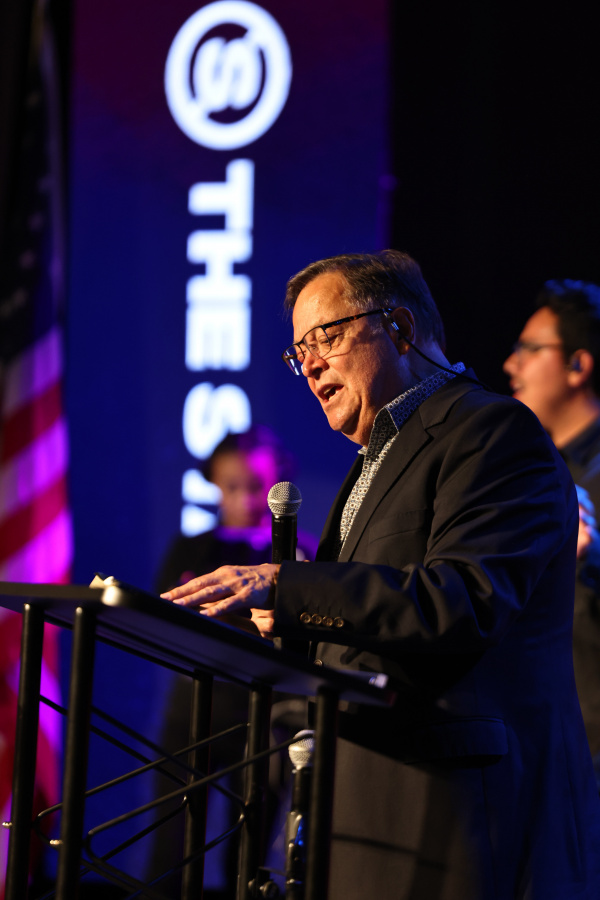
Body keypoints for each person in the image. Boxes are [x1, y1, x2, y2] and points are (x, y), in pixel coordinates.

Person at [162, 251, 600, 900]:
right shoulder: (376, 458)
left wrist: (289, 587)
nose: (310, 364)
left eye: (325, 337)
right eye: (299, 352)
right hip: (364, 815)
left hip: (461, 823)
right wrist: (289, 622)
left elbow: (464, 601)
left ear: (399, 327)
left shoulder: (494, 432)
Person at [150, 425, 316, 899]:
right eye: (232, 486)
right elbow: (167, 612)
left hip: (265, 714)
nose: (245, 499)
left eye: (257, 486)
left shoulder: (299, 553)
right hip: (194, 709)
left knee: (249, 847)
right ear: (215, 485)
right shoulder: (192, 548)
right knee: (174, 838)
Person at [503, 279, 600, 778]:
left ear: (578, 365)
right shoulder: (535, 471)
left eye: (529, 349)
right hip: (541, 743)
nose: (511, 364)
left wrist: (592, 560)